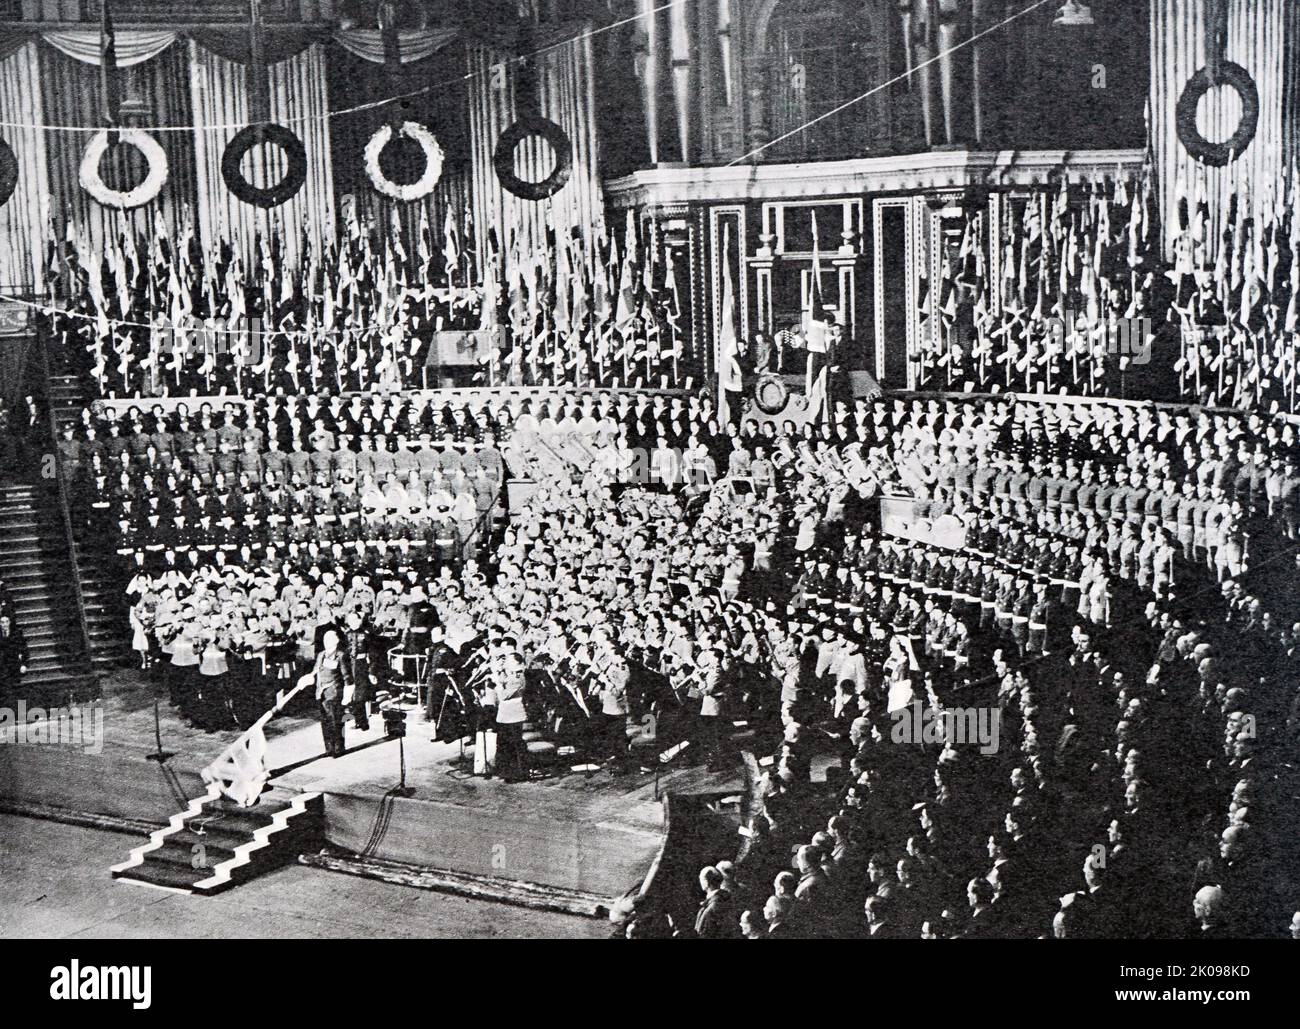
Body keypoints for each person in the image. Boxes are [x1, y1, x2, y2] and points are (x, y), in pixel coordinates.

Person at [314, 628, 352, 758]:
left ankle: (339, 748)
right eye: (325, 639)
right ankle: (329, 748)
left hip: (335, 692)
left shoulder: (341, 655)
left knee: (336, 721)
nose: (326, 641)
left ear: (336, 641)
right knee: (325, 721)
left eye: (329, 639)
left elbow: (347, 676)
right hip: (321, 692)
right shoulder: (321, 655)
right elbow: (315, 671)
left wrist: (347, 696)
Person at [494, 650, 529, 782]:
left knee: (513, 744)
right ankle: (506, 771)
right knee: (504, 743)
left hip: (513, 714)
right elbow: (503, 681)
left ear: (516, 662)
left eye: (509, 660)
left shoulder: (518, 677)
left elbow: (503, 695)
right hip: (506, 713)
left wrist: (497, 684)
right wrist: (499, 671)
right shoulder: (511, 674)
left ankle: (517, 773)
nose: (506, 662)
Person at [0, 613, 28, 692]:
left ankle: (21, 705)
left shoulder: (17, 634)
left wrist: (24, 664)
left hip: (15, 665)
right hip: (2, 667)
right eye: (2, 622)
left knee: (20, 692)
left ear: (10, 622)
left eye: (6, 622)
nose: (5, 624)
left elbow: (24, 650)